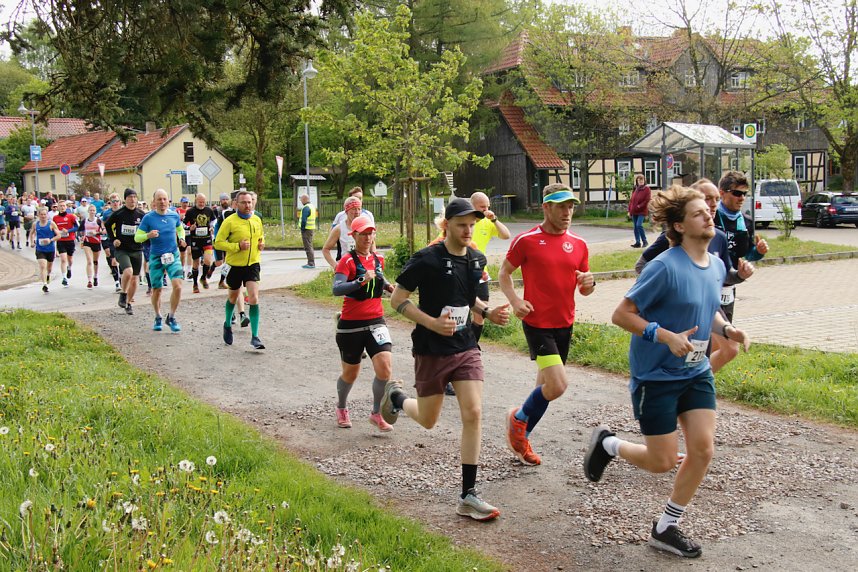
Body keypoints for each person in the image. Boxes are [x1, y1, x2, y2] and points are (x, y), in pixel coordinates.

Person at [584, 185, 751, 559]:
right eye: (698, 213)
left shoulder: (717, 266)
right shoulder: (664, 266)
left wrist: (726, 330)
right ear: (678, 225)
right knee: (660, 461)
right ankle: (609, 444)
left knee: (703, 450)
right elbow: (621, 314)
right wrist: (664, 336)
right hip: (655, 376)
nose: (709, 215)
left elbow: (706, 309)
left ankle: (666, 527)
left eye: (708, 211)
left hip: (694, 373)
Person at [383, 198, 511, 521]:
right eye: (461, 225)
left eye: (472, 225)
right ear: (446, 226)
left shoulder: (476, 260)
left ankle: (468, 494)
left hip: (465, 345)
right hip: (431, 347)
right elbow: (397, 299)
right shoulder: (426, 259)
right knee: (428, 420)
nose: (468, 231)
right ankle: (397, 397)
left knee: (474, 411)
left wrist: (487, 312)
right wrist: (431, 322)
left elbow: (468, 299)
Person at [498, 183, 594, 466]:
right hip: (537, 322)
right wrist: (516, 301)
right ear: (546, 207)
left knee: (544, 388)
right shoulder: (526, 240)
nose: (567, 212)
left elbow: (584, 286)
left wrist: (589, 283)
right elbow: (504, 274)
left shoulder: (579, 244)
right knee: (558, 385)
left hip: (565, 322)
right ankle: (518, 419)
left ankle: (521, 437)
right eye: (562, 206)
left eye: (571, 206)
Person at [636, 179, 755, 372]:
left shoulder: (718, 238)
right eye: (707, 199)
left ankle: (700, 380)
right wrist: (667, 288)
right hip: (681, 310)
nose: (713, 204)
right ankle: (686, 379)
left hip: (710, 304)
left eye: (716, 199)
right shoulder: (671, 242)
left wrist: (740, 275)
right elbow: (641, 268)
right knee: (686, 354)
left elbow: (724, 275)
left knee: (725, 349)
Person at [331, 215, 396, 431]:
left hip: (376, 321)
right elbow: (337, 288)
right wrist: (360, 280)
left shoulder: (378, 258)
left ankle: (376, 413)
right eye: (363, 234)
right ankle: (341, 407)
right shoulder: (347, 260)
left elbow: (379, 276)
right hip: (351, 325)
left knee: (385, 368)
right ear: (354, 235)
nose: (368, 237)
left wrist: (388, 287)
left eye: (371, 233)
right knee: (351, 374)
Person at [713, 171, 768, 322]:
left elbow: (747, 253)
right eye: (737, 193)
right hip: (707, 282)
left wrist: (758, 251)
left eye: (744, 194)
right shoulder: (711, 216)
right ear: (722, 193)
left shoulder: (746, 221)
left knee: (725, 329)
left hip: (729, 283)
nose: (742, 198)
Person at [214, 190, 266, 350]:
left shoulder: (257, 219)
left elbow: (261, 236)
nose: (247, 205)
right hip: (234, 266)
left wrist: (261, 243)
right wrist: (237, 246)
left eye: (249, 202)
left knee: (254, 298)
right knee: (233, 297)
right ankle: (227, 324)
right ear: (236, 204)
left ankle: (255, 336)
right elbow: (218, 243)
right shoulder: (230, 221)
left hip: (252, 264)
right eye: (244, 202)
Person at [136, 189, 185, 332]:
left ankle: (171, 316)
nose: (162, 202)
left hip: (173, 255)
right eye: (159, 199)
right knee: (157, 289)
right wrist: (148, 235)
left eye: (164, 199)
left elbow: (180, 229)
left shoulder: (174, 215)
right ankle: (158, 316)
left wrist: (181, 238)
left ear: (168, 201)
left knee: (178, 286)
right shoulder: (148, 218)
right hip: (156, 256)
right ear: (154, 202)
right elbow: (137, 237)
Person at [106, 188, 145, 316]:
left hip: (137, 249)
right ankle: (123, 293)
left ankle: (128, 303)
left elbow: (146, 228)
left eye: (134, 197)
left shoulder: (141, 214)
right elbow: (107, 225)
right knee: (128, 271)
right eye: (130, 197)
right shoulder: (119, 214)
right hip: (122, 249)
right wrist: (114, 239)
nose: (132, 200)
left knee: (135, 278)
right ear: (125, 199)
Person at [183, 193, 216, 294]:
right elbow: (183, 224)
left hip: (207, 239)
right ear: (195, 201)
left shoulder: (209, 210)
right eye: (199, 202)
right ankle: (195, 284)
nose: (201, 204)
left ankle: (203, 278)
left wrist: (212, 227)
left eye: (203, 202)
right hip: (195, 240)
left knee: (207, 260)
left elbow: (214, 221)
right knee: (196, 263)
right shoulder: (190, 211)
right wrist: (189, 228)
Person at [331, 187, 375, 260]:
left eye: (360, 198)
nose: (358, 200)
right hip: (345, 255)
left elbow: (373, 238)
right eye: (355, 197)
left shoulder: (368, 215)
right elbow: (332, 234)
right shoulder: (340, 216)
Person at [322, 196, 362, 269]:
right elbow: (325, 249)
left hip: (364, 268)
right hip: (347, 268)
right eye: (353, 209)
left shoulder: (365, 227)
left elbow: (373, 249)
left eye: (359, 209)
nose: (357, 212)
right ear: (346, 211)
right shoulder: (339, 228)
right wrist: (335, 266)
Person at [30, 207, 62, 292]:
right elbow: (32, 233)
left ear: (47, 215)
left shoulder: (51, 224)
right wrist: (32, 242)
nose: (43, 216)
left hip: (50, 249)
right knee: (42, 266)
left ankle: (48, 275)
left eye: (45, 214)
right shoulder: (35, 224)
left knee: (49, 267)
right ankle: (44, 284)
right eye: (41, 214)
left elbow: (59, 235)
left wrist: (50, 240)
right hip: (40, 249)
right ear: (38, 215)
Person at [52, 200, 78, 287]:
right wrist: (55, 234)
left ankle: (69, 268)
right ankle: (64, 278)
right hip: (61, 241)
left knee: (70, 259)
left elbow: (77, 227)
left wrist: (68, 230)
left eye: (63, 206)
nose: (62, 207)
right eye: (60, 206)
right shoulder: (55, 218)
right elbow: (53, 229)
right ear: (58, 207)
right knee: (63, 259)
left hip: (70, 240)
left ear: (66, 207)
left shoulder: (71, 216)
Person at [100, 194, 123, 291]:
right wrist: (104, 228)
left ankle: (122, 280)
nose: (115, 203)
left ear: (120, 202)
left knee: (122, 260)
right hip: (112, 239)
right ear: (110, 203)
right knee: (113, 261)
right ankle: (117, 282)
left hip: (122, 239)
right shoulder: (107, 213)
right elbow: (104, 222)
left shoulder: (123, 211)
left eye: (117, 201)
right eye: (113, 201)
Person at [81, 204, 105, 288]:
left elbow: (103, 231)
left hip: (96, 242)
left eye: (93, 210)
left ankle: (95, 276)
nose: (92, 212)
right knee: (89, 260)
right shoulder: (84, 221)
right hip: (87, 242)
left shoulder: (98, 221)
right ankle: (89, 280)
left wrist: (96, 233)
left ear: (95, 212)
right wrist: (82, 236)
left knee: (95, 261)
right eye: (90, 210)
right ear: (88, 211)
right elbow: (81, 230)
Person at [628, 174, 651, 248]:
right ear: (637, 181)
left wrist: (639, 206)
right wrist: (629, 210)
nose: (640, 181)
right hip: (634, 211)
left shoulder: (647, 189)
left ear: (644, 181)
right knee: (635, 227)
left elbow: (647, 200)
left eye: (642, 180)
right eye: (639, 180)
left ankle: (645, 241)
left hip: (641, 211)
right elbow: (631, 200)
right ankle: (637, 242)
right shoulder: (635, 188)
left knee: (639, 225)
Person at [298, 193, 317, 269]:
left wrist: (302, 228)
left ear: (304, 199)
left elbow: (304, 220)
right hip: (310, 228)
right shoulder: (312, 206)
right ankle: (311, 262)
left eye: (301, 199)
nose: (301, 201)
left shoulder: (306, 208)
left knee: (308, 246)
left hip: (306, 229)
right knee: (309, 245)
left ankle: (311, 263)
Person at [176, 196, 192, 279]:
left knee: (190, 251)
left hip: (189, 233)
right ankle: (182, 269)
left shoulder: (190, 210)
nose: (185, 204)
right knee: (182, 254)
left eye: (186, 202)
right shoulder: (177, 211)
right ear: (181, 203)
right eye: (184, 202)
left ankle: (189, 271)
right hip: (181, 233)